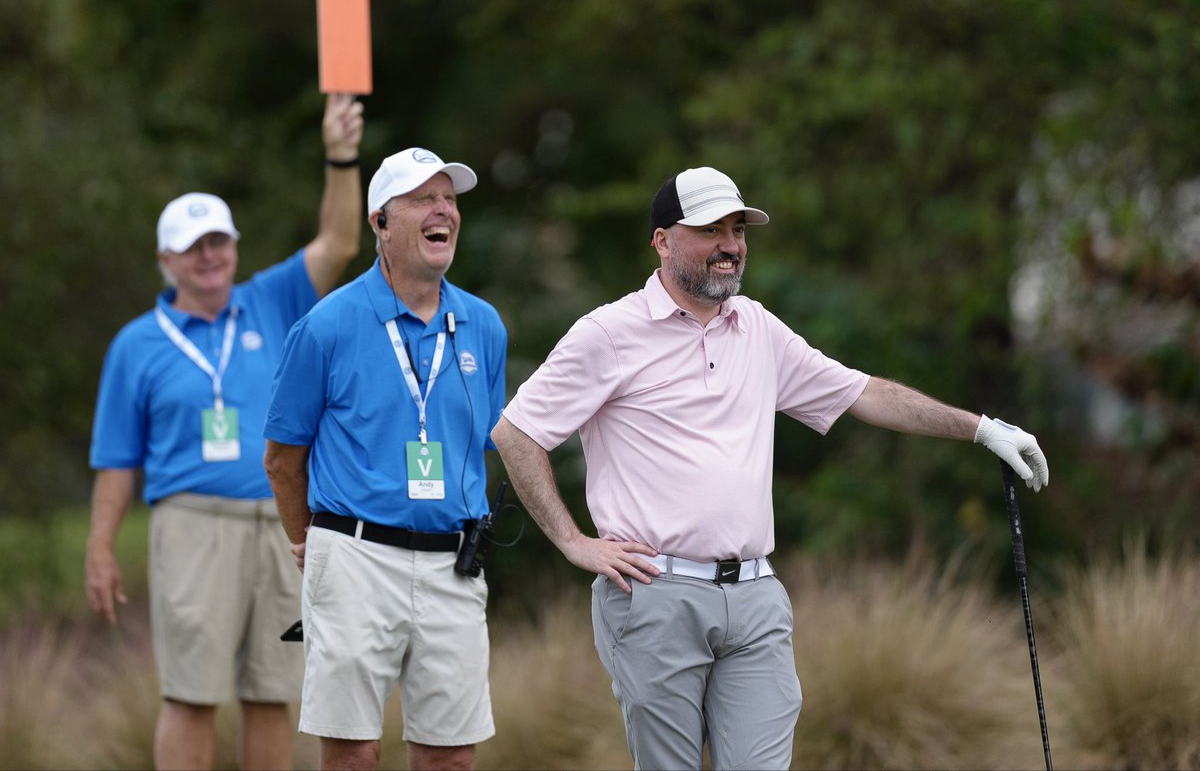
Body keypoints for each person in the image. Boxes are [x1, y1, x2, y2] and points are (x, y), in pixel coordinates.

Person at [490, 165, 1051, 771]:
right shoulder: (609, 332)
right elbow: (516, 431)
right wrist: (574, 542)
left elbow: (864, 394)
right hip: (654, 596)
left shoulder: (757, 327)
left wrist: (981, 428)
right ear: (662, 240)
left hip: (755, 598)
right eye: (710, 230)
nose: (731, 245)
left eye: (738, 229)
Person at [86, 94, 365, 771]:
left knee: (272, 692)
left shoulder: (272, 298)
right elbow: (118, 460)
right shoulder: (137, 343)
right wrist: (100, 546)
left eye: (218, 241)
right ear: (167, 259)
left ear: (234, 246)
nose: (209, 256)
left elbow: (341, 242)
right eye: (192, 247)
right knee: (191, 692)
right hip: (190, 525)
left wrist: (339, 155)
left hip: (281, 523)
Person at [262, 147, 508, 771]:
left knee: (451, 757)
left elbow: (483, 448)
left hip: (455, 562)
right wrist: (305, 540)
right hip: (354, 556)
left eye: (450, 199)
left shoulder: (483, 325)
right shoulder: (326, 325)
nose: (443, 210)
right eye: (424, 199)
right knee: (354, 754)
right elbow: (282, 459)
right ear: (380, 222)